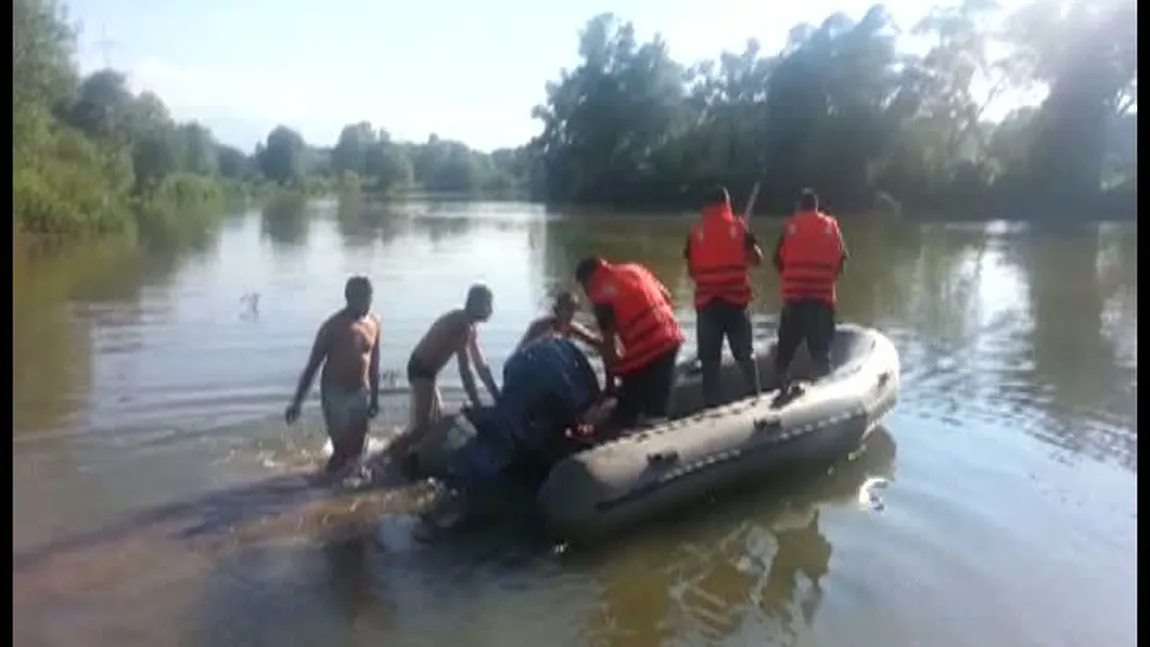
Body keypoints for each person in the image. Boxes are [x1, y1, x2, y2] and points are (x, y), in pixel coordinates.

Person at [388, 284, 501, 462]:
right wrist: (477, 404)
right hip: (421, 370)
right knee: (422, 428)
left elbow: (481, 366)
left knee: (435, 423)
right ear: (476, 305)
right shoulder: (461, 325)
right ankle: (387, 458)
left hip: (429, 372)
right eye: (488, 305)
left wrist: (497, 394)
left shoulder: (469, 327)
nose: (491, 310)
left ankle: (413, 456)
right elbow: (465, 371)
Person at [575, 256, 685, 435]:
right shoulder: (634, 270)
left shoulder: (601, 295)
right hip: (670, 338)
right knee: (656, 401)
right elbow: (667, 296)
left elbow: (609, 345)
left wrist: (610, 388)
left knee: (629, 410)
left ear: (588, 280)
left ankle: (628, 433)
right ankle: (654, 424)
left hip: (648, 349)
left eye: (584, 287)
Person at [284, 276, 381, 477]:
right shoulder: (332, 327)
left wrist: (375, 399)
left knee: (359, 448)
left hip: (360, 391)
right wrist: (297, 403)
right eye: (363, 298)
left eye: (370, 298)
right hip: (335, 393)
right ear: (349, 298)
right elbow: (312, 366)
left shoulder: (374, 323)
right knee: (341, 451)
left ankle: (349, 489)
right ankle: (325, 486)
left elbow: (374, 364)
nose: (368, 303)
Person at [684, 185, 764, 407]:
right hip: (735, 304)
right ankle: (754, 398)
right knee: (745, 355)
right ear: (726, 203)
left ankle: (711, 407)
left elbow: (691, 271)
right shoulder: (739, 228)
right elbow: (758, 260)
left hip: (707, 305)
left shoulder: (695, 233)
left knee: (709, 362)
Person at [772, 188, 848, 389]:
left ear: (799, 206)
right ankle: (822, 395)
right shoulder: (831, 226)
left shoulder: (790, 227)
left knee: (784, 354)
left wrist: (794, 279)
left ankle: (778, 389)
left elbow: (777, 261)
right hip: (821, 301)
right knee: (821, 355)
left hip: (794, 300)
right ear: (817, 207)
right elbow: (842, 262)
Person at [514, 291, 602, 352]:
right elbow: (523, 349)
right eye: (566, 309)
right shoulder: (540, 326)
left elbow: (594, 340)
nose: (569, 314)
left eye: (572, 309)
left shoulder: (571, 328)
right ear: (556, 310)